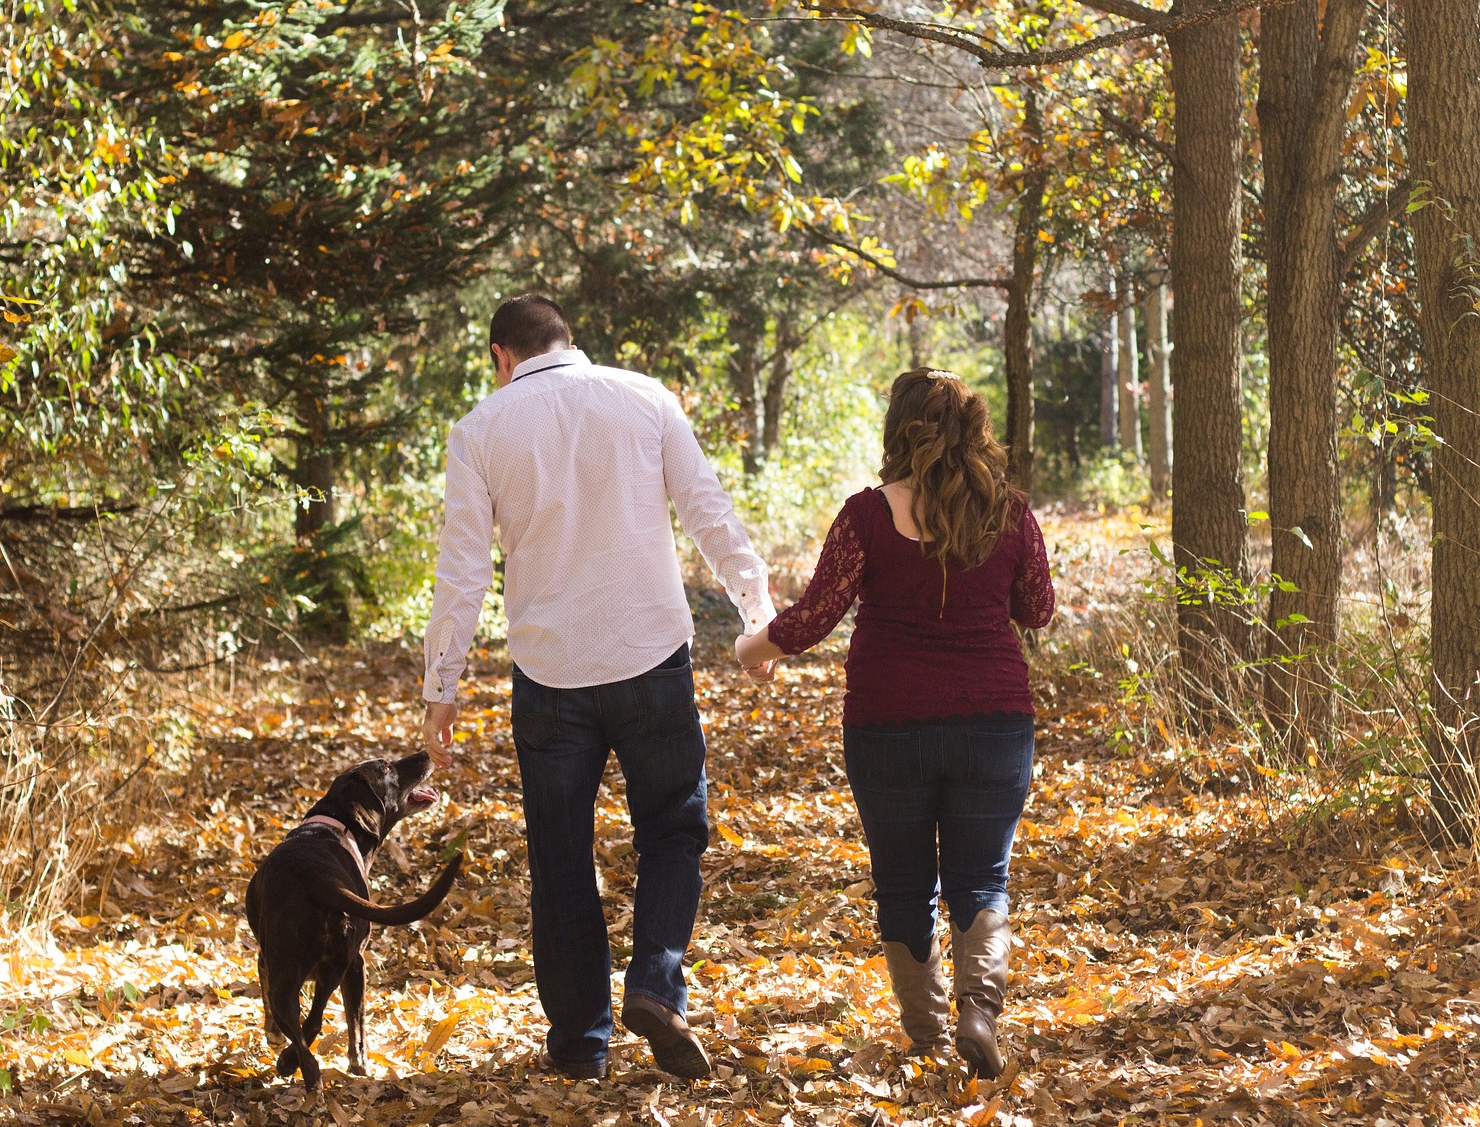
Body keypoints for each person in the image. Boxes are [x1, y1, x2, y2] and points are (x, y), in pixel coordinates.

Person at [420, 295, 774, 1081]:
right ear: (567, 341)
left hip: (550, 677)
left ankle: (582, 1046)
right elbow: (708, 512)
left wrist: (441, 685)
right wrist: (760, 614)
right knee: (674, 830)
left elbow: (463, 570)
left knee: (559, 858)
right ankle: (655, 980)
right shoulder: (644, 398)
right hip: (650, 657)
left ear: (498, 356)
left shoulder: (479, 432)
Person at [736, 369, 1054, 1078]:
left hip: (889, 725)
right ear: (973, 429)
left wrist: (749, 648)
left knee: (904, 883)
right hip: (994, 723)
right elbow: (1038, 609)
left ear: (898, 429)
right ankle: (979, 1009)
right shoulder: (1009, 511)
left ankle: (928, 1036)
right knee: (982, 880)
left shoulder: (868, 515)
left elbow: (815, 617)